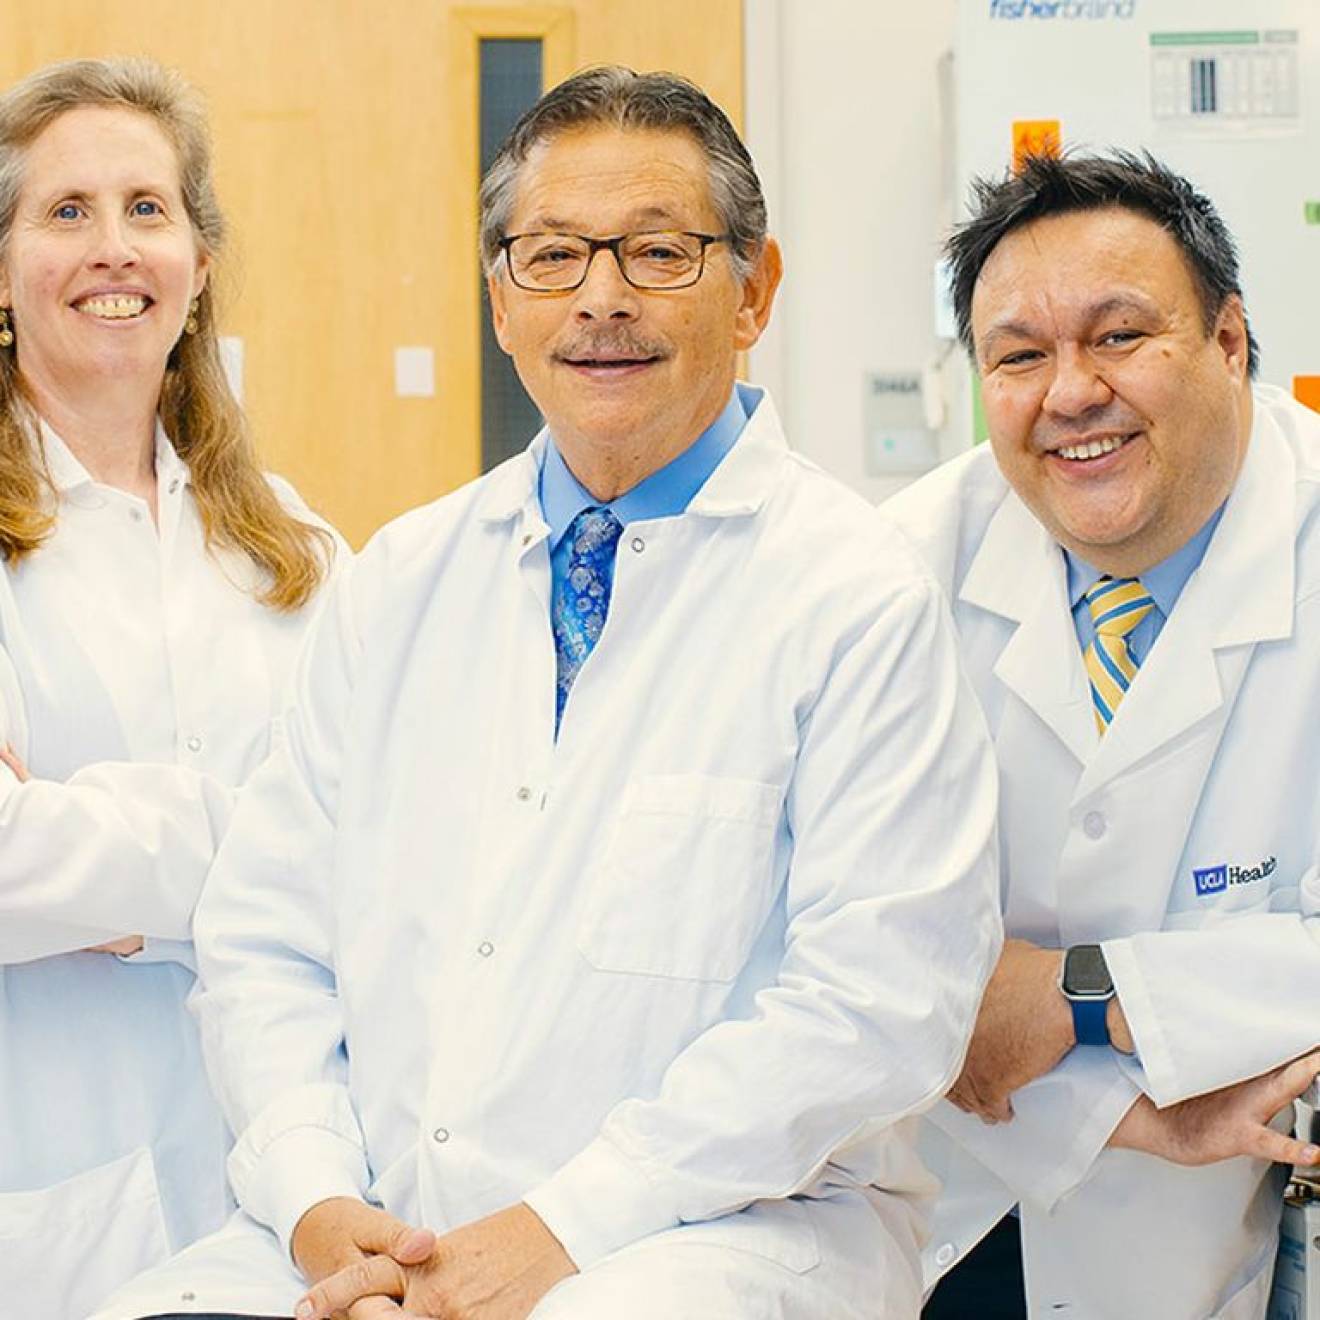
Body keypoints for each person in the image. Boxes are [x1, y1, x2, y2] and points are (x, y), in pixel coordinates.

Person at [96, 66, 1002, 1320]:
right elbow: (266, 941)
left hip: (727, 1235)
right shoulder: (404, 578)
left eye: (659, 253)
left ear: (756, 292)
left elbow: (878, 1004)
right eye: (554, 256)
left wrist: (558, 1229)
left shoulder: (855, 595)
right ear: (501, 301)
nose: (602, 299)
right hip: (388, 1227)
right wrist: (318, 1207)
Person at [886, 151, 1320, 1320]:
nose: (1070, 392)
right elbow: (864, 959)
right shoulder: (896, 566)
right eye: (1019, 356)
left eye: (1120, 336)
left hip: (1235, 1225)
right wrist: (1115, 1096)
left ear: (1231, 339)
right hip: (937, 1209)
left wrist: (1082, 995)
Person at [0, 57, 337, 1320]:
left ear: (199, 264)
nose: (114, 247)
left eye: (148, 208)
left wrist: (105, 866)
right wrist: (253, 852)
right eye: (65, 210)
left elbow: (381, 828)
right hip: (46, 1191)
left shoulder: (290, 546)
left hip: (274, 1178)